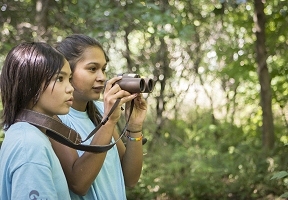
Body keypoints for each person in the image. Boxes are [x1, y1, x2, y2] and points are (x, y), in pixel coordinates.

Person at [51, 34, 147, 200]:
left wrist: (134, 127)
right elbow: (79, 185)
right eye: (92, 69)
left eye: (103, 69)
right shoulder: (56, 118)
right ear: (67, 71)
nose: (102, 77)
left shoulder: (99, 110)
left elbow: (130, 179)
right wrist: (109, 121)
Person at [0, 42, 74, 199]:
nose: (70, 88)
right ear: (30, 84)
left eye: (69, 79)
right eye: (60, 78)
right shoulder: (30, 145)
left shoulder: (24, 133)